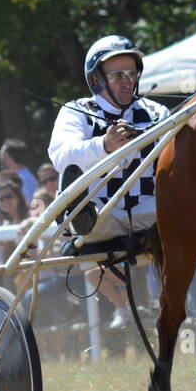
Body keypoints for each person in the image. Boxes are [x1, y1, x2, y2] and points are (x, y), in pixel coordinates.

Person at [48, 33, 171, 321]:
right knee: (92, 213)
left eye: (132, 73)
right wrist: (104, 145)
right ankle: (77, 216)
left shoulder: (157, 112)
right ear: (96, 80)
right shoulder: (77, 111)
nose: (128, 81)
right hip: (102, 215)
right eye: (117, 75)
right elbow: (61, 156)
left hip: (152, 214)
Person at [0, 138, 38, 203]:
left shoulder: (24, 179)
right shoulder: (24, 176)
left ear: (7, 157)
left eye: (3, 156)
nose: (2, 160)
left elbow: (31, 205)